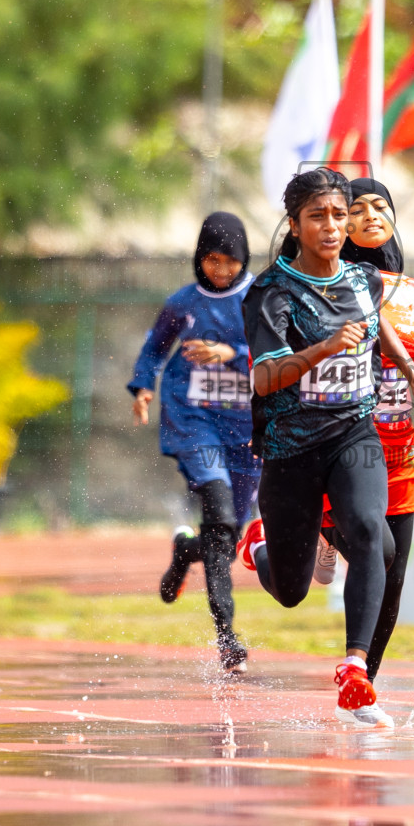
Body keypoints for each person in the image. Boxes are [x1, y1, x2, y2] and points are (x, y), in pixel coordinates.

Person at [236, 167, 414, 727]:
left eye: (339, 215)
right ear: (295, 225)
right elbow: (265, 378)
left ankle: (355, 670)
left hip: (354, 434)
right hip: (292, 449)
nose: (332, 227)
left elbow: (379, 328)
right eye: (318, 217)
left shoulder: (361, 280)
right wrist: (325, 348)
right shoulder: (270, 293)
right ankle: (260, 549)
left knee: (374, 537)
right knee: (291, 590)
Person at [316, 177, 414, 702]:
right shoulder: (326, 286)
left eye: (380, 205)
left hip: (400, 453)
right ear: (339, 223)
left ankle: (361, 686)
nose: (371, 213)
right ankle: (319, 531)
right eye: (357, 208)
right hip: (341, 446)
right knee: (382, 551)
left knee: (393, 577)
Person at [128, 212, 258, 673]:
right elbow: (153, 349)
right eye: (213, 260)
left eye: (231, 262)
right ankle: (228, 640)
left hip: (246, 430)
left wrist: (232, 354)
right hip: (193, 422)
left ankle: (187, 550)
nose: (221, 270)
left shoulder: (260, 297)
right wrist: (142, 386)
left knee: (226, 537)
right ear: (199, 258)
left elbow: (280, 351)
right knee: (220, 515)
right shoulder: (182, 303)